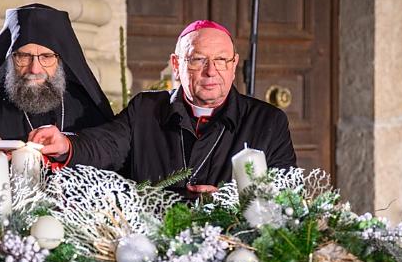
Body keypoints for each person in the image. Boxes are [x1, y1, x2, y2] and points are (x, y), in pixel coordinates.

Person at [31, 20, 297, 197]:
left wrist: (230, 204)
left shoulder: (267, 121)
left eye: (221, 60)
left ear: (234, 63)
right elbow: (107, 144)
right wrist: (67, 145)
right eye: (198, 60)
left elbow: (287, 195)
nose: (211, 71)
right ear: (176, 64)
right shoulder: (147, 110)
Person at [0, 3, 113, 180]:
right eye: (23, 56)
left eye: (46, 56)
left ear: (61, 60)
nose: (34, 69)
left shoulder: (86, 108)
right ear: (10, 58)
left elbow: (110, 164)